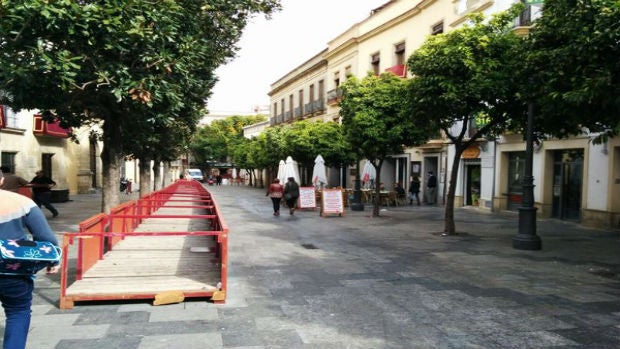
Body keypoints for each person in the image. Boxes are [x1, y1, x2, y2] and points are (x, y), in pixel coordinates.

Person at [0, 169, 60, 349]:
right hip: (11, 270)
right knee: (18, 312)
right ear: (2, 180)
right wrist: (53, 260)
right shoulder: (22, 203)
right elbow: (45, 237)